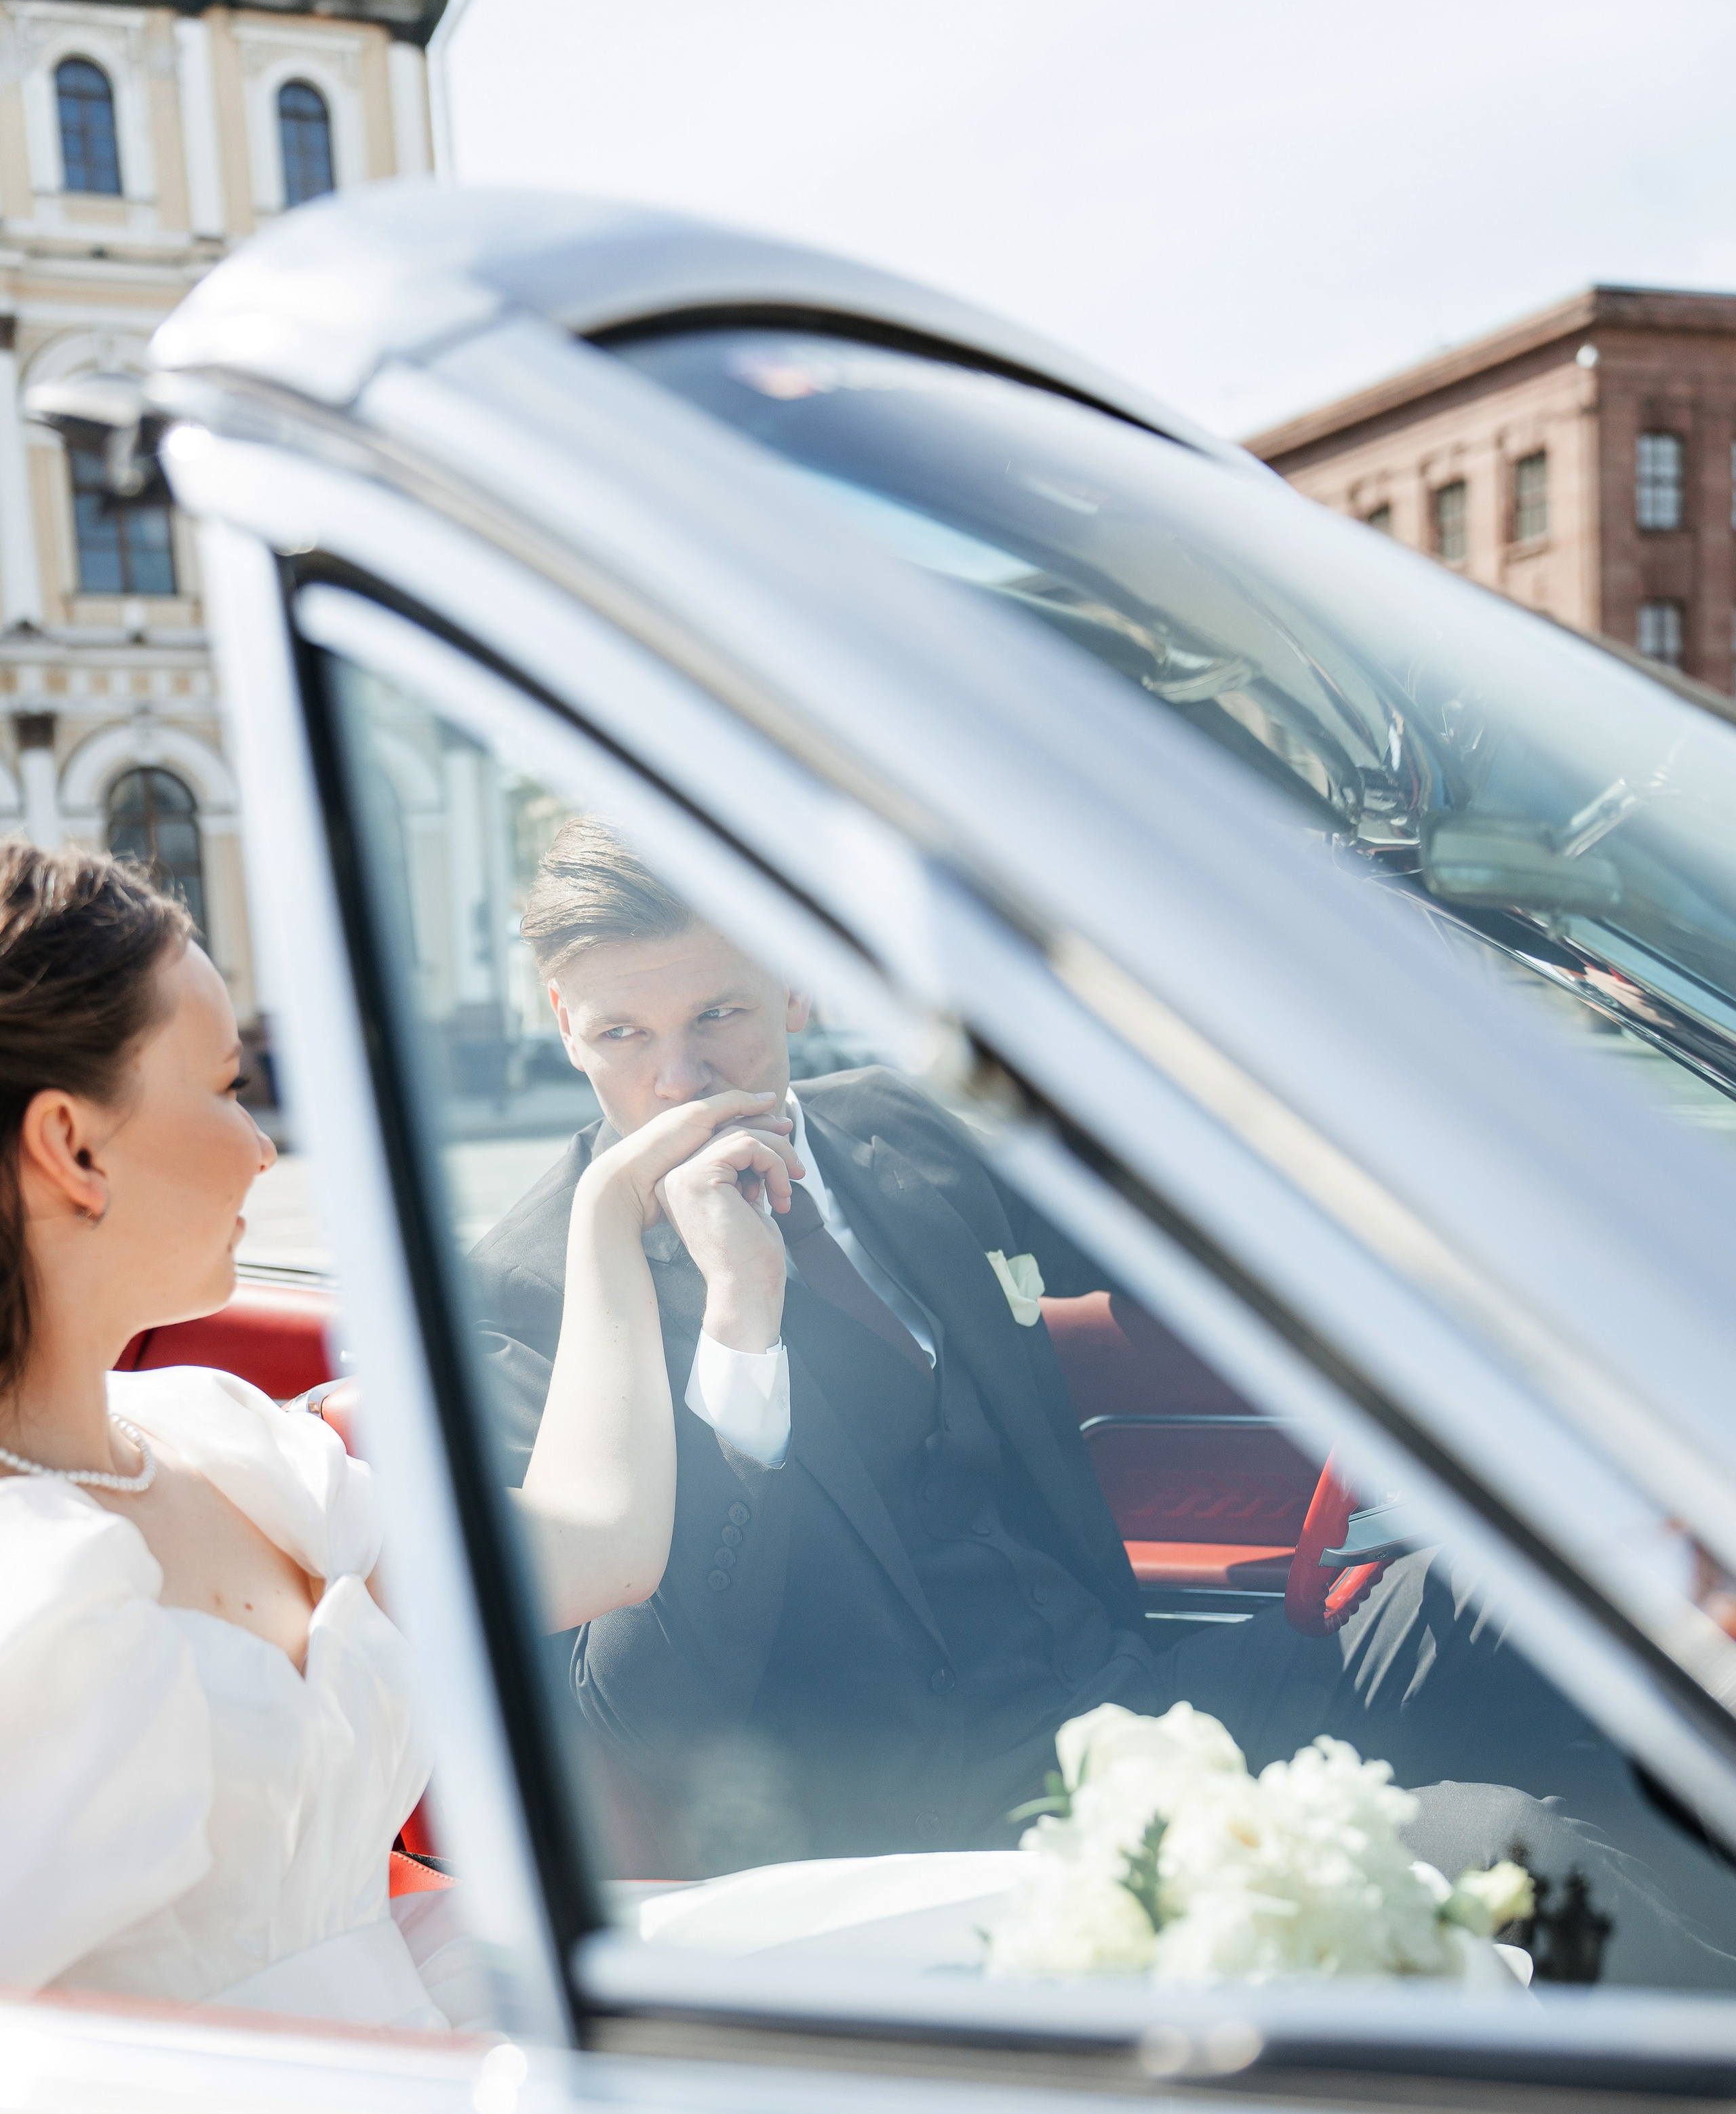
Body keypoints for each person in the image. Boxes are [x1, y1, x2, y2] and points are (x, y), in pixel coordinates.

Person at [469, 825, 1736, 1986]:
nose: (680, 1082)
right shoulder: (535, 1291)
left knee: (1566, 1585)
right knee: (1530, 1856)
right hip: (949, 1836)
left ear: (797, 985)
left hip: (1153, 1698)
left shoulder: (901, 1135)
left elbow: (1182, 1226)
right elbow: (636, 1714)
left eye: (721, 1015)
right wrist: (740, 1334)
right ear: (563, 1023)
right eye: (621, 1037)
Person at [0, 835, 785, 2031]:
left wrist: (605, 1214)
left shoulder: (223, 1445)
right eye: (225, 1088)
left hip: (448, 2017)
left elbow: (601, 1543)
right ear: (72, 1146)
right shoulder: (32, 1597)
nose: (262, 1145)